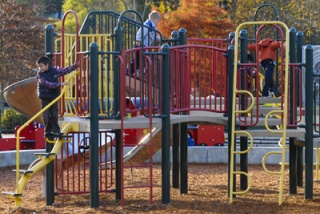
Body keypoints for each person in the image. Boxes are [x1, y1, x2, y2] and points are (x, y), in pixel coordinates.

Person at [37, 56, 77, 139]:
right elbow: (48, 84)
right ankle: (47, 131)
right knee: (46, 115)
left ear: (47, 65)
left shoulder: (54, 71)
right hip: (45, 97)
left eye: (41, 66)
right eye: (39, 66)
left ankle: (56, 131)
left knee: (55, 114)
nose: (40, 68)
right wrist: (60, 84)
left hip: (53, 96)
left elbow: (64, 71)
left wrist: (74, 66)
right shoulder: (40, 75)